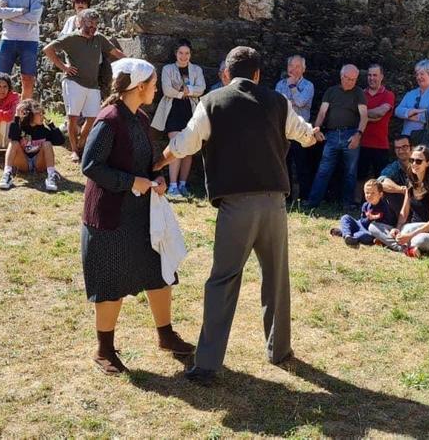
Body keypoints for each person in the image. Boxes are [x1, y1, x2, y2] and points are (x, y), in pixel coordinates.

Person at [153, 46, 321, 385]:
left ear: (227, 73)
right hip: (274, 203)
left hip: (236, 206)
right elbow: (304, 133)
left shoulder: (212, 102)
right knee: (276, 277)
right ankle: (280, 350)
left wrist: (157, 162)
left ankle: (208, 364)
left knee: (223, 280)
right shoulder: (277, 101)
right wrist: (312, 136)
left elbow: (184, 144)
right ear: (257, 74)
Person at [79, 57, 194, 374]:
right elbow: (90, 166)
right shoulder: (110, 119)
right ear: (139, 87)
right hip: (110, 216)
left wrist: (157, 177)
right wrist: (132, 182)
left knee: (158, 272)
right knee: (110, 282)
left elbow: (145, 160)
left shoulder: (140, 118)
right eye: (154, 84)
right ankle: (104, 350)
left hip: (141, 214)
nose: (156, 89)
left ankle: (166, 335)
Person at [43, 9, 108, 163]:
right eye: (89, 23)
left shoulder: (98, 38)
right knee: (73, 117)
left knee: (93, 117)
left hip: (93, 84)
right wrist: (64, 67)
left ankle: (80, 144)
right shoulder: (71, 38)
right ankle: (74, 150)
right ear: (79, 22)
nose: (93, 26)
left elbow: (115, 52)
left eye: (95, 23)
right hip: (73, 82)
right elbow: (48, 49)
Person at [304, 64, 369, 210]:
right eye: (348, 78)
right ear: (341, 76)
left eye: (354, 79)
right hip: (331, 134)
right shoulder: (331, 91)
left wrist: (358, 135)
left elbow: (364, 116)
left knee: (350, 172)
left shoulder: (359, 92)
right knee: (323, 169)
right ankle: (313, 202)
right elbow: (322, 113)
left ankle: (348, 203)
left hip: (351, 134)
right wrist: (316, 129)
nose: (350, 82)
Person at [151, 39, 206, 199]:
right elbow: (167, 89)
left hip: (191, 110)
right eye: (181, 53)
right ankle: (173, 186)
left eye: (187, 53)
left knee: (188, 149)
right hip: (173, 110)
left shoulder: (196, 69)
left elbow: (201, 88)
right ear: (176, 53)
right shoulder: (168, 69)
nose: (184, 56)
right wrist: (184, 92)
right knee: (175, 145)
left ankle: (183, 184)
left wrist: (188, 90)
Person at [372, 145, 429, 257]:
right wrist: (398, 228)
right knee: (373, 226)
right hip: (411, 227)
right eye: (412, 160)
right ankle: (406, 249)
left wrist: (409, 235)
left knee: (418, 241)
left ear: (428, 163)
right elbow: (404, 213)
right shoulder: (410, 183)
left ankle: (393, 243)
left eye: (419, 161)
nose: (414, 164)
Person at [0, 99, 65, 192]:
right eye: (39, 114)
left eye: (43, 113)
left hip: (39, 163)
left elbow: (60, 141)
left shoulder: (44, 130)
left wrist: (51, 125)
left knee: (47, 144)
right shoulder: (21, 128)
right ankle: (7, 174)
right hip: (24, 162)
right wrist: (17, 116)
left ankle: (51, 175)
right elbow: (12, 136)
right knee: (13, 143)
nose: (42, 116)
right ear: (30, 115)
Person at [274, 55, 315, 203]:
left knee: (302, 165)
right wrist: (292, 102)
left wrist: (292, 87)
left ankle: (305, 199)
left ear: (304, 69)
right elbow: (279, 105)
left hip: (301, 131)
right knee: (284, 165)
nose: (294, 69)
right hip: (283, 131)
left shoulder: (309, 86)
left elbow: (301, 101)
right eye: (291, 65)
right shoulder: (280, 84)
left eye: (298, 66)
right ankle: (287, 197)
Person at [329, 180, 394, 248]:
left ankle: (346, 234)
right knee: (345, 217)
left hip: (369, 231)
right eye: (367, 193)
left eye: (373, 193)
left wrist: (375, 219)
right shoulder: (365, 205)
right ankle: (347, 235)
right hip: (360, 224)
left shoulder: (384, 207)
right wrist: (368, 219)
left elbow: (387, 224)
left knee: (364, 236)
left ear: (380, 194)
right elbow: (362, 222)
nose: (369, 195)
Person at [395, 59, 429, 146]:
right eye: (417, 74)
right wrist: (408, 113)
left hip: (428, 138)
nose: (418, 77)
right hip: (408, 137)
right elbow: (398, 111)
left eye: (422, 74)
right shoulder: (411, 93)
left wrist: (416, 117)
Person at [357, 64, 395, 179]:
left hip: (380, 145)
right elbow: (354, 114)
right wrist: (369, 117)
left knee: (381, 180)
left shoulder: (388, 95)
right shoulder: (361, 94)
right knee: (359, 178)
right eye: (369, 75)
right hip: (361, 143)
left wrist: (362, 115)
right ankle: (360, 198)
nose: (371, 78)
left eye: (375, 75)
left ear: (381, 77)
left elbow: (381, 112)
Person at [377, 135, 416, 215]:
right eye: (397, 148)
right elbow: (381, 181)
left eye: (404, 147)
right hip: (401, 208)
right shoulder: (394, 167)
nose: (401, 151)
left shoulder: (421, 164)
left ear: (412, 148)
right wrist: (402, 190)